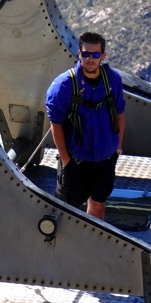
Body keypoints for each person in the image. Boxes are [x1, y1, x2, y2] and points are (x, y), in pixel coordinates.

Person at [45, 31, 126, 220]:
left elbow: (120, 113)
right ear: (79, 54)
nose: (91, 59)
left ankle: (94, 246)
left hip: (105, 158)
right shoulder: (63, 86)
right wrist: (66, 160)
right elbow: (55, 123)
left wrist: (117, 148)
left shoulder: (113, 81)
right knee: (67, 209)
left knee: (98, 204)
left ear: (103, 56)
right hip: (76, 160)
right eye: (86, 54)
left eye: (95, 54)